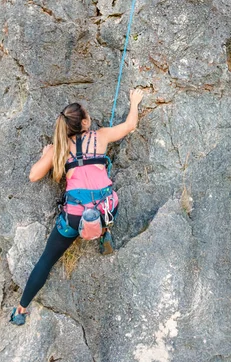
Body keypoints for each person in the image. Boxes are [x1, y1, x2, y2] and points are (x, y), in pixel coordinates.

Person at [10, 89, 144, 325]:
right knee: (108, 205)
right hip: (105, 211)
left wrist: (47, 155)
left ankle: (20, 310)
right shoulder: (100, 136)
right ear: (84, 122)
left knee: (46, 260)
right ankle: (103, 231)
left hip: (74, 217)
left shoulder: (59, 149)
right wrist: (134, 102)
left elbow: (33, 176)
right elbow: (130, 124)